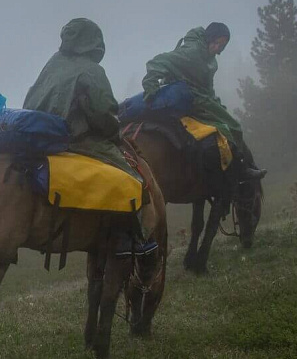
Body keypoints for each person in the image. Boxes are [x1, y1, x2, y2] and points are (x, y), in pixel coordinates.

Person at [23, 18, 156, 256]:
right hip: (77, 139)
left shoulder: (53, 64)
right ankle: (130, 238)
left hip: (41, 135)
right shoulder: (92, 70)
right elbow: (103, 113)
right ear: (93, 42)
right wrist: (114, 134)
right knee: (132, 178)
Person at [142, 22, 264, 180]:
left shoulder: (211, 62)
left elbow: (208, 89)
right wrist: (151, 88)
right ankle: (243, 169)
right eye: (217, 42)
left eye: (222, 45)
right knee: (234, 127)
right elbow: (157, 62)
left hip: (203, 99)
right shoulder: (192, 52)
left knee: (228, 123)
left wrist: (217, 104)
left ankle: (241, 166)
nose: (218, 48)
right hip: (190, 98)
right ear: (210, 38)